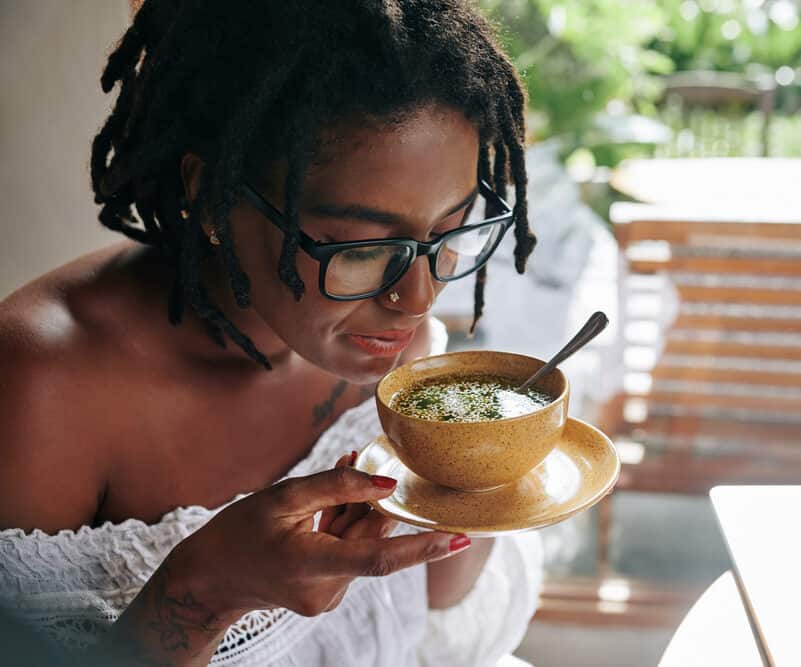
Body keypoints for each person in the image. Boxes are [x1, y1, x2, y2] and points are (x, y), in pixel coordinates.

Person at [0, 1, 543, 665]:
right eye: (361, 249)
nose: (418, 298)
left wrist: (485, 475)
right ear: (211, 197)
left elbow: (435, 599)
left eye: (450, 230)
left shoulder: (384, 339)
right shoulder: (44, 385)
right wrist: (199, 596)